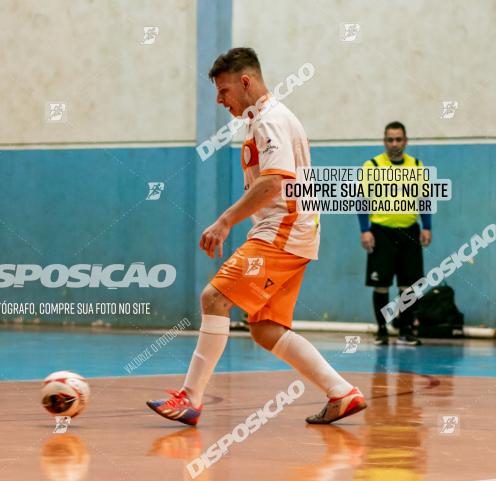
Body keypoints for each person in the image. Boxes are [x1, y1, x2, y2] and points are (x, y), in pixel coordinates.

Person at [147, 48, 366, 426]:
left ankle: (190, 399)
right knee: (266, 329)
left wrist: (225, 221)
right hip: (294, 231)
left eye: (224, 90)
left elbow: (273, 182)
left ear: (245, 81)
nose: (219, 100)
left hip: (282, 230)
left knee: (214, 298)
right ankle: (341, 392)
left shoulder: (270, 120)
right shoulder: (262, 121)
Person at [359, 121, 431, 346]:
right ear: (384, 141)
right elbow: (361, 201)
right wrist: (365, 231)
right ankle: (381, 330)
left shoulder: (417, 166)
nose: (394, 144)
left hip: (410, 231)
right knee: (381, 284)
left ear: (405, 141)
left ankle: (406, 329)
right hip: (381, 233)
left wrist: (427, 226)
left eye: (399, 139)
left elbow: (425, 200)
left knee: (408, 285)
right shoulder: (372, 166)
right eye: (390, 139)